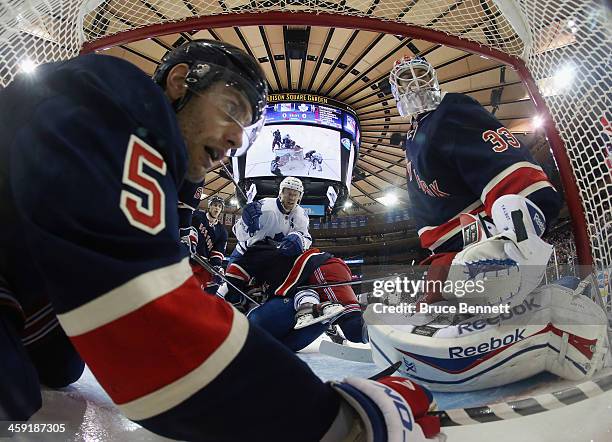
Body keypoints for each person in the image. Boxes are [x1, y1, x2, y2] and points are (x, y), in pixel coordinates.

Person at [0, 40, 441, 441]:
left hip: (30, 279)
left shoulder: (174, 184)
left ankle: (317, 307)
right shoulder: (117, 101)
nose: (236, 139)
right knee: (12, 393)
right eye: (231, 108)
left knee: (59, 362)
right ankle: (326, 309)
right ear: (179, 82)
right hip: (250, 264)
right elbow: (150, 332)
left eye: (246, 129)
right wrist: (328, 422)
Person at [389, 56, 562, 309]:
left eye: (420, 74)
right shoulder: (414, 136)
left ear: (433, 79)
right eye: (405, 80)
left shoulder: (450, 109)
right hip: (451, 242)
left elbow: (504, 168)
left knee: (508, 214)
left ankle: (519, 253)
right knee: (434, 305)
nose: (414, 84)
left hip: (486, 231)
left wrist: (519, 231)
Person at [223, 245, 366, 351]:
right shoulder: (276, 288)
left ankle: (381, 330)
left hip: (320, 267)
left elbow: (234, 275)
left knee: (354, 329)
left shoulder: (261, 255)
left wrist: (235, 300)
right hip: (308, 286)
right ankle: (323, 311)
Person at [230, 176, 312, 262]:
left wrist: (301, 241)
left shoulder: (301, 215)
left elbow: (306, 238)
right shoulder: (264, 207)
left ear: (300, 196)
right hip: (246, 254)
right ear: (281, 193)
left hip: (274, 259)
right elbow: (238, 234)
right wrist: (245, 223)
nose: (291, 198)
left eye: (295, 194)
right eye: (289, 193)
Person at [190, 195, 228, 293]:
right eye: (215, 205)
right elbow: (184, 225)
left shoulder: (222, 231)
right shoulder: (197, 216)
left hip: (202, 262)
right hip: (187, 257)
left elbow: (218, 251)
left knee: (214, 283)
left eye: (219, 206)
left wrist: (216, 267)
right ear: (209, 206)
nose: (217, 208)